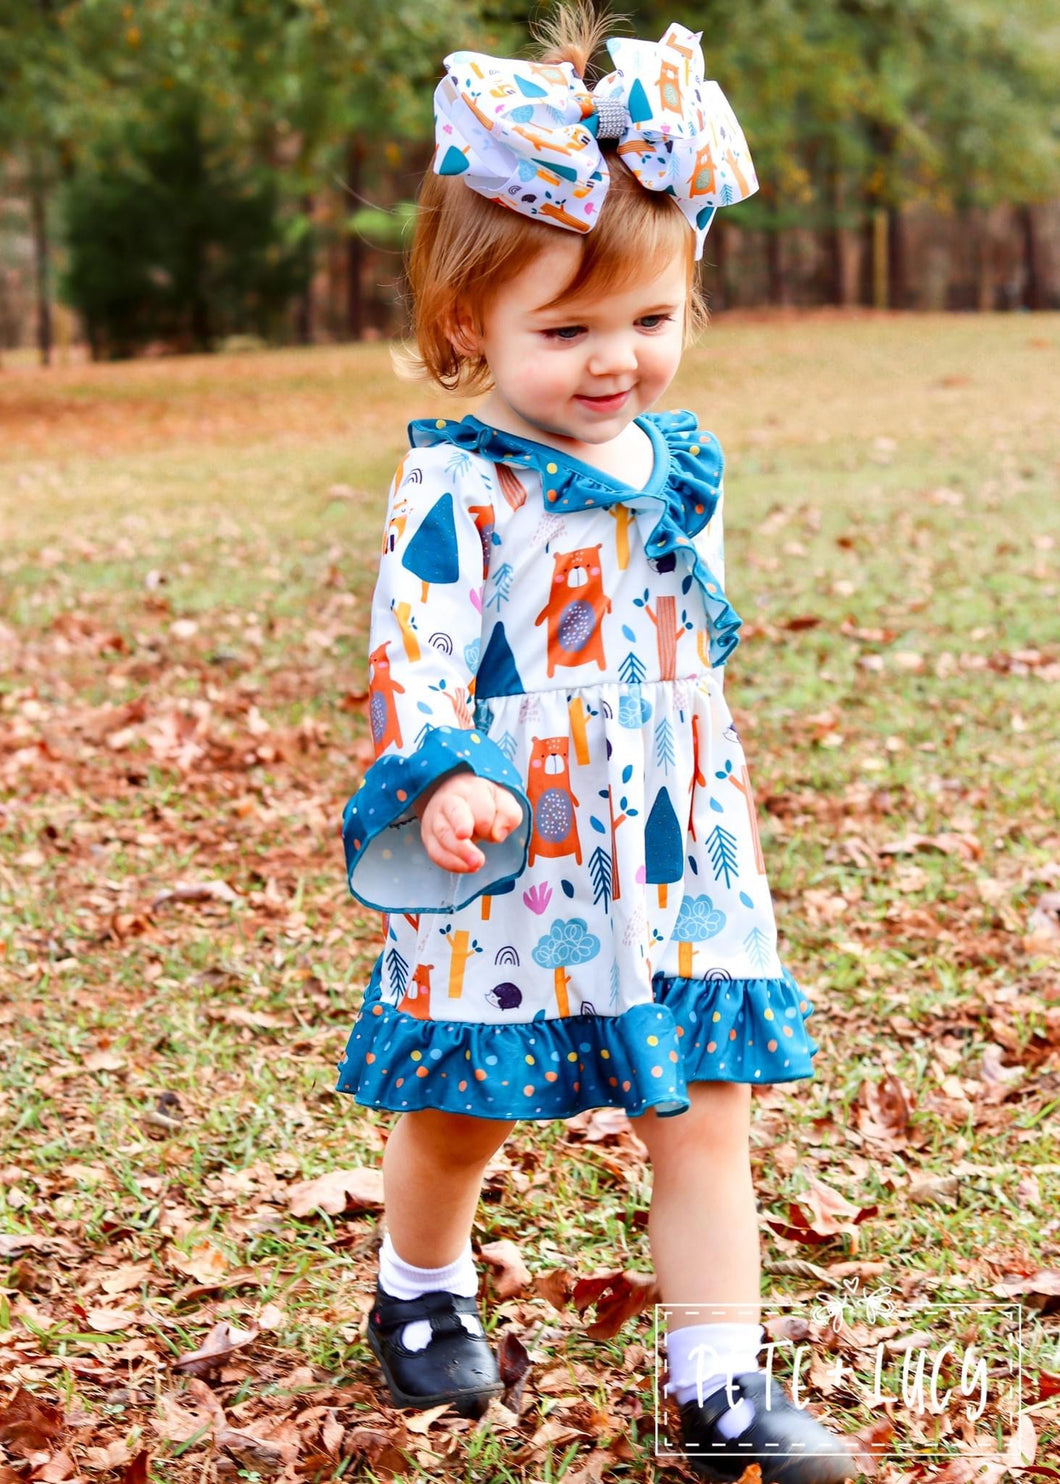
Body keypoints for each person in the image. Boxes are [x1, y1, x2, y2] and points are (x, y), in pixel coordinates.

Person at [336, 7, 856, 1481]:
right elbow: (413, 646)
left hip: (675, 837)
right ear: (466, 331)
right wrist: (439, 774)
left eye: (649, 318)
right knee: (460, 1105)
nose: (615, 360)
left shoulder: (668, 460)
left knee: (703, 1104)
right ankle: (421, 1282)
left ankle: (720, 1385)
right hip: (515, 843)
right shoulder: (461, 481)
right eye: (564, 332)